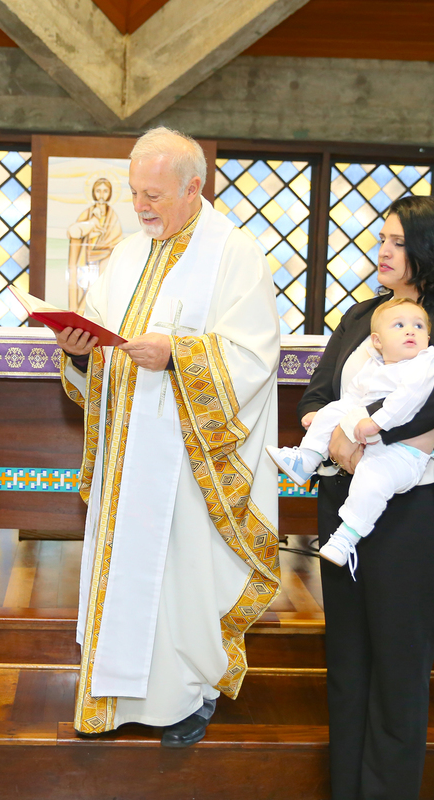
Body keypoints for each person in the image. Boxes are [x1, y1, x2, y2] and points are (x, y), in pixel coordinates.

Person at [55, 126, 281, 747]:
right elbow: (100, 339)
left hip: (188, 462)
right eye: (135, 194)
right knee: (124, 574)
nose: (141, 206)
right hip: (125, 454)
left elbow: (254, 356)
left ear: (193, 186)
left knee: (179, 578)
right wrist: (78, 352)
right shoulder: (127, 254)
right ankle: (114, 703)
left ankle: (185, 698)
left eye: (153, 194)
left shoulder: (235, 253)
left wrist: (178, 354)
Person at [298, 194, 434, 798]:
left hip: (414, 504)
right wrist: (332, 435)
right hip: (343, 499)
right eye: (380, 239)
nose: (381, 251)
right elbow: (316, 392)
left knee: (397, 665)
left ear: (431, 246)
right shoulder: (362, 315)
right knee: (348, 661)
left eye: (396, 241)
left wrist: (371, 431)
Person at [270, 298, 434, 570]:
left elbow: (408, 400)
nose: (411, 331)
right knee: (333, 409)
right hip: (369, 440)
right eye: (400, 325)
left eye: (418, 326)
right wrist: (327, 419)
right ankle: (305, 460)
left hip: (402, 455)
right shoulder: (374, 366)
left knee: (370, 479)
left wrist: (377, 422)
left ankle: (346, 537)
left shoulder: (423, 364)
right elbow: (351, 399)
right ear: (377, 341)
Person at [66, 176, 123, 311]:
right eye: (98, 191)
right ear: (93, 193)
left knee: (99, 292)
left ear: (110, 193)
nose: (101, 194)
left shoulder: (112, 215)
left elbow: (117, 240)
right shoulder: (87, 213)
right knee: (85, 290)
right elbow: (75, 234)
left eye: (105, 191)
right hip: (86, 258)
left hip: (105, 259)